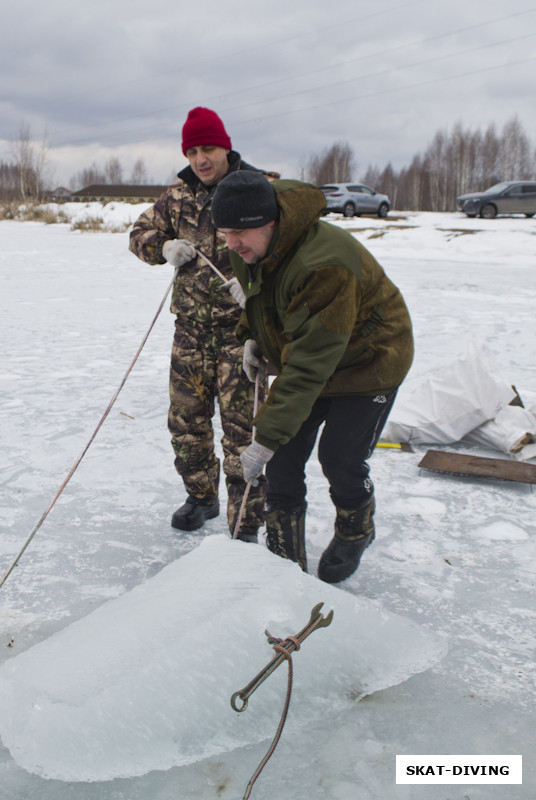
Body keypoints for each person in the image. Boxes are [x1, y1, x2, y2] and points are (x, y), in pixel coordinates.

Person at [211, 172, 414, 582]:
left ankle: (356, 528)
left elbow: (308, 364)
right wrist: (252, 338)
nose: (230, 244)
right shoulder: (250, 245)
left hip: (367, 362)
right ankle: (284, 566)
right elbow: (266, 303)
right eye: (224, 233)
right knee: (283, 461)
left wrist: (264, 437)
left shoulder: (325, 264)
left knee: (340, 458)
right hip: (314, 350)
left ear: (268, 222)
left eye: (238, 233)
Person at [129, 107, 278, 540]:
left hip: (242, 337)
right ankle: (201, 497)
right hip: (190, 335)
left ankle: (245, 522)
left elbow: (289, 250)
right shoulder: (176, 197)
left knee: (243, 434)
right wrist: (163, 247)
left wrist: (257, 289)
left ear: (225, 146)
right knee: (187, 423)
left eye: (208, 148)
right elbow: (139, 234)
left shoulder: (260, 188)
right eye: (192, 151)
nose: (200, 159)